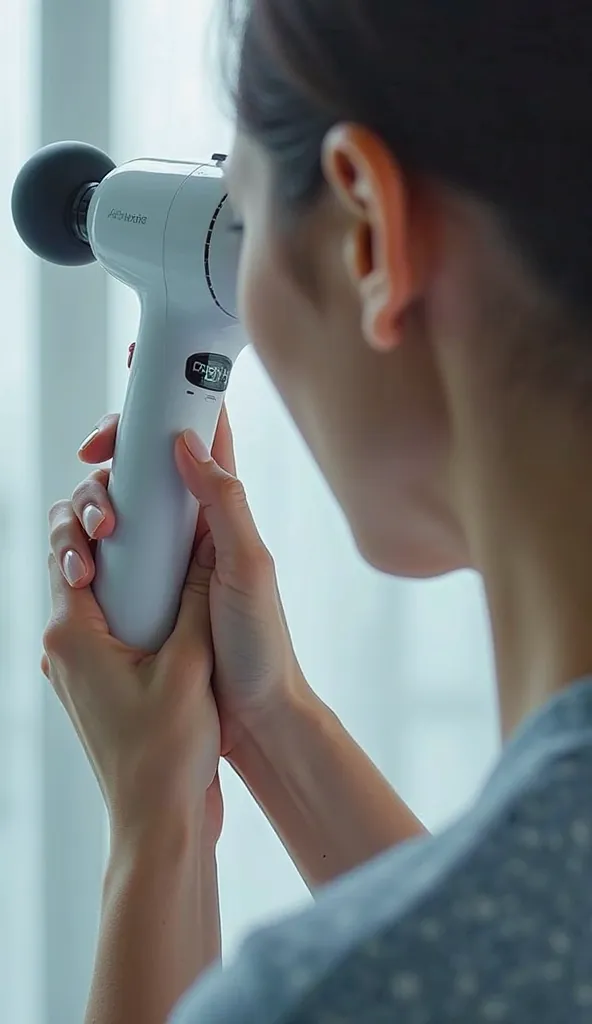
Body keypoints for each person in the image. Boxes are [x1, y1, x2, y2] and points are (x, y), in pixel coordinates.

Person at [41, 0, 592, 1020]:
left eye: (238, 210)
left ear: (369, 232)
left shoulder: (317, 994)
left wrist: (156, 826)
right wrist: (272, 719)